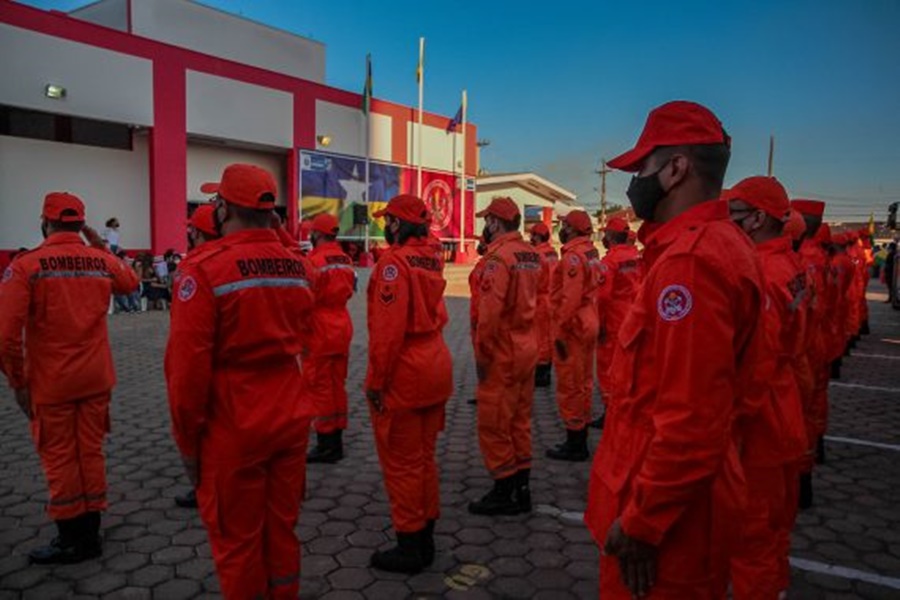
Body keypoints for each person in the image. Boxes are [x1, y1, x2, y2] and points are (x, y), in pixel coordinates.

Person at [585, 101, 764, 599]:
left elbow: (692, 420)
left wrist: (642, 523)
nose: (634, 183)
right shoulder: (717, 245)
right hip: (681, 502)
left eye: (642, 168)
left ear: (676, 169)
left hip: (666, 527)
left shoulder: (691, 263)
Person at [165, 164, 317, 599]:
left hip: (233, 423)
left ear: (223, 209)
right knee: (281, 530)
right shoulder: (298, 267)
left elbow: (187, 371)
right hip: (290, 412)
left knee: (238, 542)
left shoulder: (203, 269)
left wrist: (187, 443)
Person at [0, 192, 139, 564]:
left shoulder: (26, 265)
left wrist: (17, 382)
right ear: (81, 224)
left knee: (60, 456)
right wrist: (97, 244)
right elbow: (130, 283)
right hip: (95, 377)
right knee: (90, 452)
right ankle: (91, 530)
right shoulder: (99, 260)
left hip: (52, 382)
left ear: (45, 223)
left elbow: (6, 336)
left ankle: (71, 538)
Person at [724, 177, 809, 599]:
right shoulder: (790, 265)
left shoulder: (764, 272)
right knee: (775, 530)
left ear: (757, 219)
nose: (727, 223)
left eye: (733, 214)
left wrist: (726, 431)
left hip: (761, 426)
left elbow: (757, 367)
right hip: (785, 408)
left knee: (751, 535)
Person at [365, 194, 453, 574]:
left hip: (406, 372)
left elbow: (387, 334)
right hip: (435, 364)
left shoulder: (393, 264)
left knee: (402, 464)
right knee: (423, 459)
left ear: (397, 225)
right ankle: (426, 533)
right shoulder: (432, 257)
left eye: (388, 220)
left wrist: (375, 382)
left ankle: (411, 545)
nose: (385, 226)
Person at [469, 197, 540, 516]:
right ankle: (522, 487)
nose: (485, 226)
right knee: (519, 420)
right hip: (527, 345)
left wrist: (482, 357)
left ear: (495, 223)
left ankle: (504, 490)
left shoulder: (498, 259)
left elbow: (489, 314)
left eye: (487, 220)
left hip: (502, 351)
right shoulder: (530, 254)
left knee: (495, 422)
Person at [172, 203, 221, 510]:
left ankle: (204, 487)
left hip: (215, 380)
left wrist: (184, 423)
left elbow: (189, 353)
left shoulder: (196, 269)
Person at [546, 210, 599, 462]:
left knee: (570, 383)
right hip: (588, 320)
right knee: (584, 381)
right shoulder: (590, 251)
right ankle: (580, 431)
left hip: (573, 326)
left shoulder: (573, 257)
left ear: (573, 229)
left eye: (564, 225)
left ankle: (575, 441)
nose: (561, 229)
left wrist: (559, 330)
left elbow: (570, 298)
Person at [305, 213, 356, 464]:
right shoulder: (346, 259)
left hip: (320, 329)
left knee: (321, 387)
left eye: (311, 232)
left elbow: (305, 298)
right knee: (337, 385)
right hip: (342, 325)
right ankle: (337, 439)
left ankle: (326, 444)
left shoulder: (313, 261)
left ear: (317, 233)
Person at [790, 199, 829, 508]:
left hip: (793, 356)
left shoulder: (798, 263)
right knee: (808, 411)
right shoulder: (805, 263)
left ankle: (800, 484)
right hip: (812, 343)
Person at [593, 216, 642, 429]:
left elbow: (603, 297)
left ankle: (611, 413)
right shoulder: (636, 256)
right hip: (633, 316)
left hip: (613, 320)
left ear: (611, 236)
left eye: (605, 233)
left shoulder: (609, 262)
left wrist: (600, 324)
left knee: (608, 368)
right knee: (629, 366)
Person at [529, 222, 558, 388]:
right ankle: (546, 369)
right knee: (548, 335)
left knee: (540, 337)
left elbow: (535, 280)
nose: (530, 238)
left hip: (540, 298)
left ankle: (541, 372)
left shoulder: (537, 255)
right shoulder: (552, 252)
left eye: (532, 235)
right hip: (552, 298)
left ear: (537, 236)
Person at [467, 238, 488, 404]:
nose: (479, 245)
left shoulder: (491, 265)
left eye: (481, 242)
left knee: (486, 360)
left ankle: (486, 394)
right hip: (479, 317)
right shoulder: (486, 263)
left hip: (483, 320)